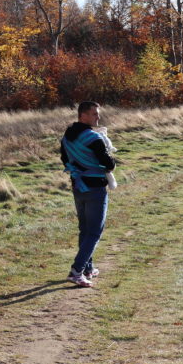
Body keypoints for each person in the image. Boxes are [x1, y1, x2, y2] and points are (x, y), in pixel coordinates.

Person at [60, 101, 117, 288]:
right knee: (94, 232)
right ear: (82, 115)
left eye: (97, 113)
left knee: (85, 230)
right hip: (95, 188)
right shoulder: (93, 137)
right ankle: (76, 271)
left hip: (78, 186)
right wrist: (108, 154)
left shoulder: (67, 136)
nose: (98, 117)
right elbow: (109, 165)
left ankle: (87, 268)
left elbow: (65, 159)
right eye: (94, 114)